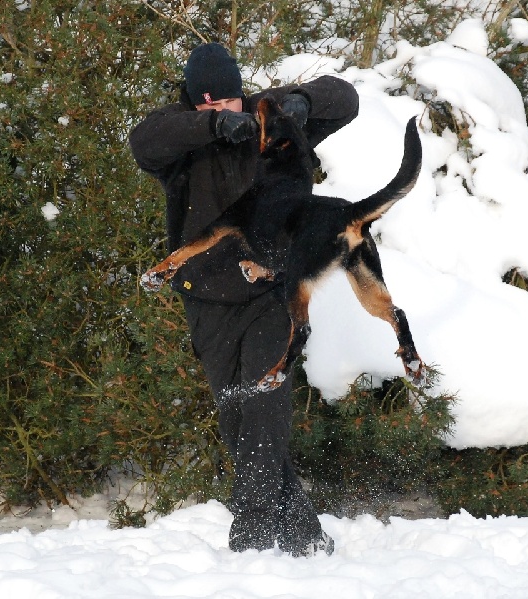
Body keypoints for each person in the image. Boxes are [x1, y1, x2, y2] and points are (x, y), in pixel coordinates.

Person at [129, 42, 359, 556]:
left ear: (240, 94)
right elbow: (144, 140)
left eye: (227, 104)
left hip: (272, 293)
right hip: (206, 302)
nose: (221, 111)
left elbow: (345, 99)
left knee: (262, 414)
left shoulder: (269, 119)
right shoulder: (180, 143)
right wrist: (212, 127)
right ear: (193, 104)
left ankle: (251, 538)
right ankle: (306, 539)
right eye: (206, 105)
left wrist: (299, 102)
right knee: (241, 428)